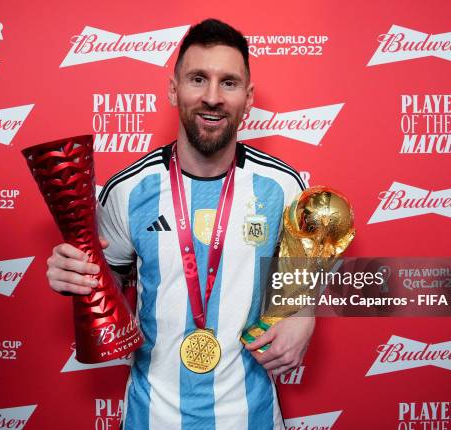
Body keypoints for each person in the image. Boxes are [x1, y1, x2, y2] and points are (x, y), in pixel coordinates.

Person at [46, 18, 315, 430]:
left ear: (248, 97)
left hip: (253, 417)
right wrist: (79, 277)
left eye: (229, 83)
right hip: (150, 416)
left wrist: (305, 313)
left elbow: (309, 268)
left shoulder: (282, 186)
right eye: (197, 79)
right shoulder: (129, 189)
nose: (212, 97)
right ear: (174, 89)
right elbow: (111, 286)